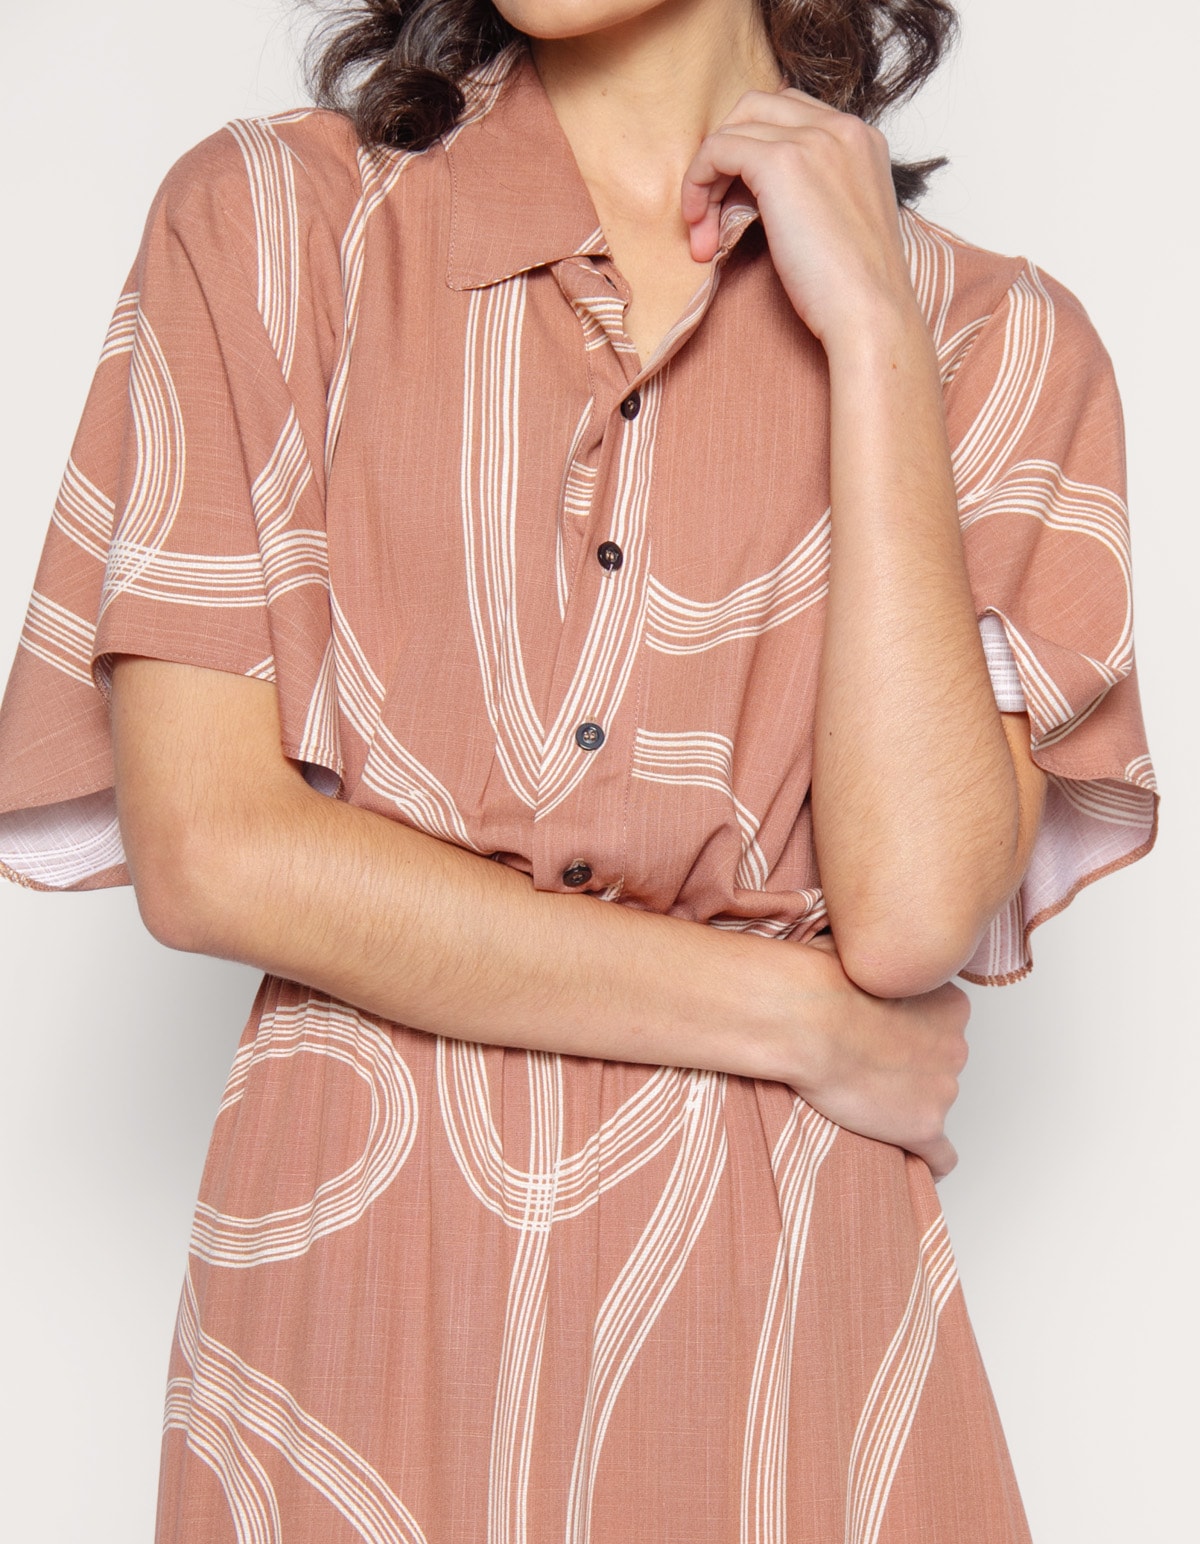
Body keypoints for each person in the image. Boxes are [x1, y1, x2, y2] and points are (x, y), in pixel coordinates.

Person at [0, 0, 1158, 1536]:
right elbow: (216, 852)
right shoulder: (277, 225)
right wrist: (798, 1019)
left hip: (789, 1318)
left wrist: (877, 338)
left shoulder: (1001, 343)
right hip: (367, 1310)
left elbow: (911, 916)